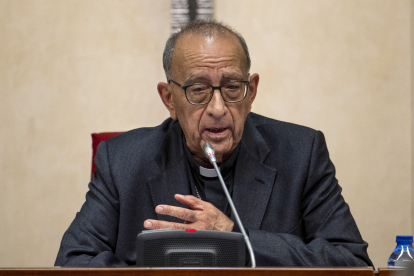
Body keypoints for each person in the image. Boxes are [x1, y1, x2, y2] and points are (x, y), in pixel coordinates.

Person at [55, 20, 373, 267]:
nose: (218, 109)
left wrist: (237, 240)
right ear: (169, 98)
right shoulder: (122, 160)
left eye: (233, 87)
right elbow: (72, 261)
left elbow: (351, 260)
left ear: (252, 91)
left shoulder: (301, 153)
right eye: (198, 90)